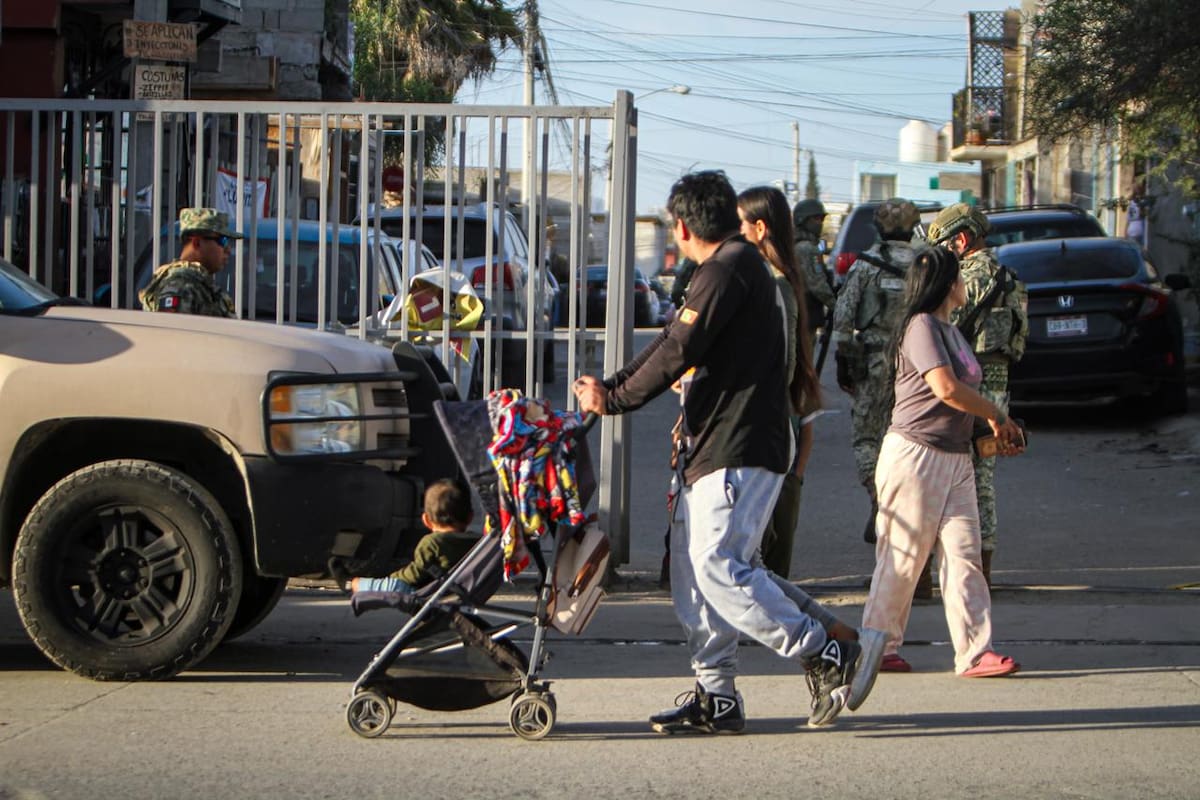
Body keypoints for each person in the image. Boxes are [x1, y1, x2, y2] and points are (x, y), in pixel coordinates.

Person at [573, 170, 884, 733]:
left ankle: (824, 648)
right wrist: (611, 388)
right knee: (699, 579)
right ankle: (717, 695)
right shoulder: (722, 270)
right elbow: (673, 345)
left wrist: (612, 398)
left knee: (721, 567)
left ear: (684, 225)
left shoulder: (729, 268)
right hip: (711, 444)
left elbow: (677, 350)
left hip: (740, 443)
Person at [860, 245, 1024, 677]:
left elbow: (958, 398)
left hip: (954, 458)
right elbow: (946, 389)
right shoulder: (921, 327)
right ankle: (878, 646)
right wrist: (996, 414)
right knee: (903, 557)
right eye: (961, 278)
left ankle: (975, 652)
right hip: (915, 456)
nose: (966, 284)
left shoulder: (950, 329)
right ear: (949, 284)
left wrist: (990, 429)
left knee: (963, 554)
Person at [926, 203, 1028, 586]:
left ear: (962, 239)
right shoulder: (1010, 278)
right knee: (982, 480)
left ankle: (928, 575)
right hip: (997, 386)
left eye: (945, 245)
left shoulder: (957, 278)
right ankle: (982, 576)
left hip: (958, 387)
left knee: (939, 475)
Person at [736, 186, 822, 578]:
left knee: (759, 555)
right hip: (777, 425)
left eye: (741, 223)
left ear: (760, 227)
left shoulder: (773, 283)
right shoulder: (777, 277)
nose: (737, 232)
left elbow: (784, 365)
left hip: (767, 427)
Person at [831, 199, 922, 552]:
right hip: (917, 369)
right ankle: (906, 504)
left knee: (867, 440)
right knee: (912, 442)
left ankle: (879, 496)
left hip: (873, 367)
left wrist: (843, 360)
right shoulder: (926, 264)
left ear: (880, 228)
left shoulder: (865, 265)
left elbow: (843, 317)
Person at [351, 478, 479, 594]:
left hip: (432, 592)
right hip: (464, 591)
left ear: (426, 520)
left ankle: (351, 584)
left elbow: (415, 574)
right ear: (470, 517)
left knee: (390, 585)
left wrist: (393, 577)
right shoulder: (478, 543)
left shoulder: (432, 543)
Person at [139, 207, 242, 317]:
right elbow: (176, 332)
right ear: (197, 242)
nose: (228, 250)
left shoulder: (200, 285)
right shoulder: (180, 286)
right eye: (222, 241)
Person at [792, 198, 837, 344]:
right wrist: (837, 307)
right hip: (805, 314)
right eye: (816, 218)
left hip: (799, 314)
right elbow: (818, 285)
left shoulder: (797, 245)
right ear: (803, 220)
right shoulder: (807, 249)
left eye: (822, 218)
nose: (820, 223)